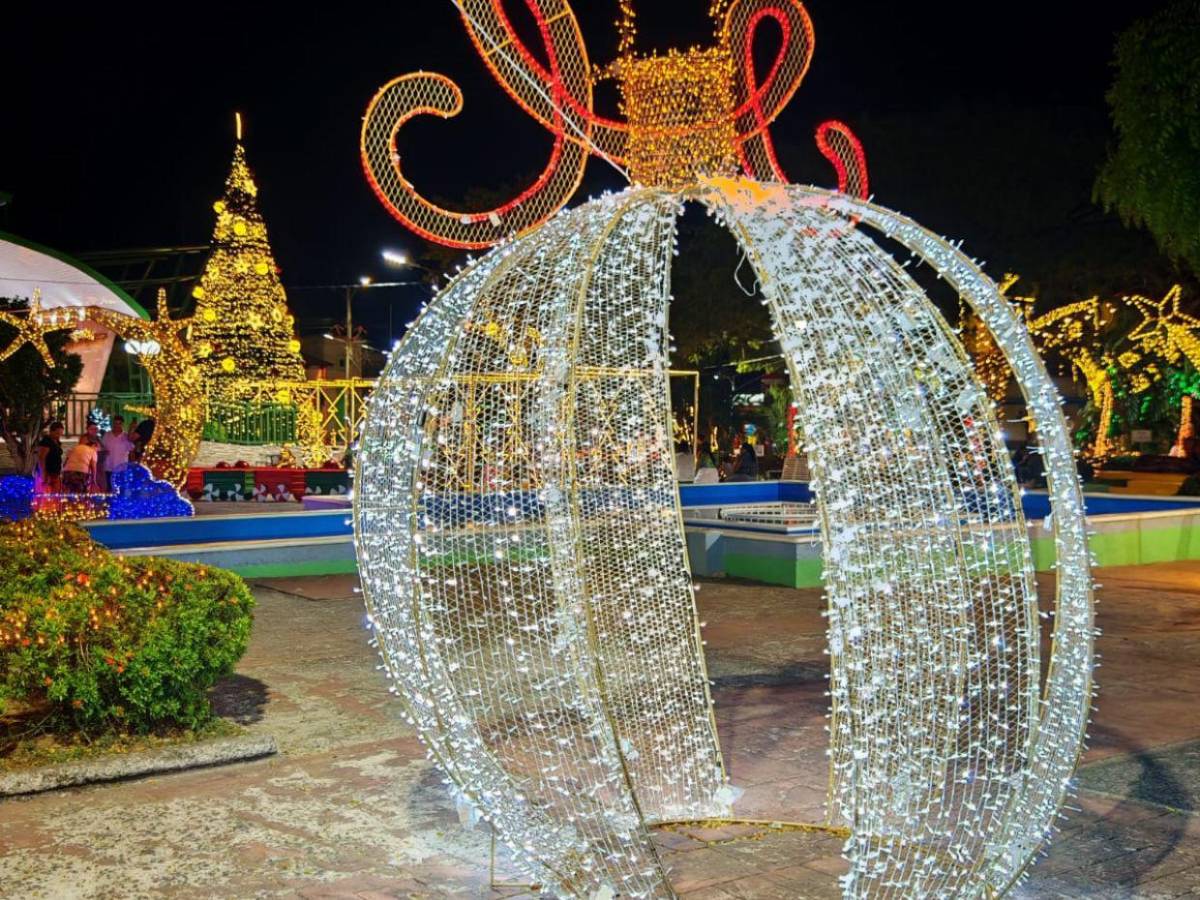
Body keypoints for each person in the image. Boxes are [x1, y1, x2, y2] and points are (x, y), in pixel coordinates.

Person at [100, 415, 136, 490]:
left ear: (122, 424)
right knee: (109, 489)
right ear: (113, 424)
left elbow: (132, 451)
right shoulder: (107, 435)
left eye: (119, 423)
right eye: (115, 423)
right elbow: (102, 449)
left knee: (121, 490)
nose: (117, 425)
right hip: (108, 467)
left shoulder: (126, 436)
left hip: (121, 468)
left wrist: (133, 466)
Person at [36, 421, 65, 493]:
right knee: (47, 494)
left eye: (60, 434)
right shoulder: (46, 441)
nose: (58, 436)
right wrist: (43, 473)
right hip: (48, 473)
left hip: (56, 472)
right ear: (51, 431)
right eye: (57, 433)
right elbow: (41, 458)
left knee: (55, 494)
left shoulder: (56, 442)